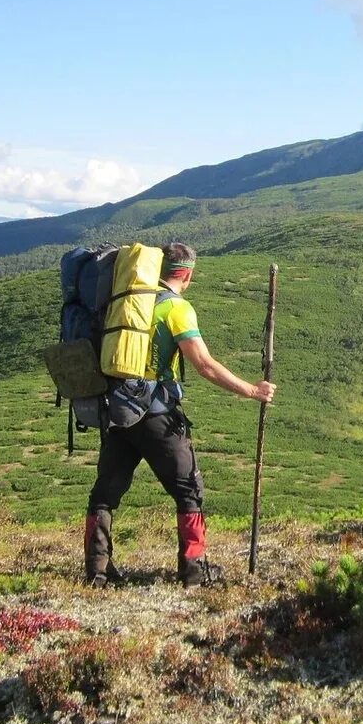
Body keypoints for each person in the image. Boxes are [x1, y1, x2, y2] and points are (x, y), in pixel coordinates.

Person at [84, 242, 276, 588]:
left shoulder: (125, 302)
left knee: (105, 493)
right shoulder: (177, 309)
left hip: (118, 410)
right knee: (189, 490)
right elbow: (203, 364)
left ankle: (97, 572)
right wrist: (251, 390)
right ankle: (193, 570)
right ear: (187, 273)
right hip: (157, 414)